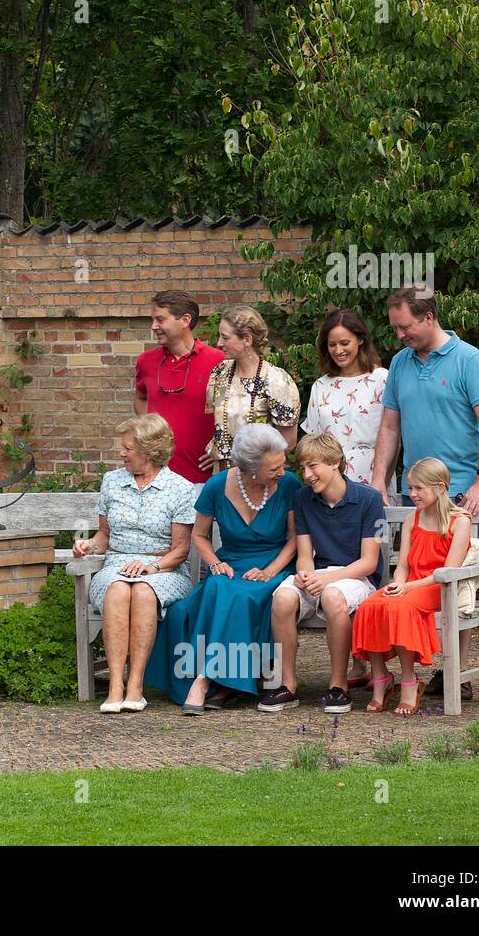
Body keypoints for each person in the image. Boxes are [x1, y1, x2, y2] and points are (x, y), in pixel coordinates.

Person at [368, 287, 479, 701]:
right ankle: (415, 670)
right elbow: (390, 427)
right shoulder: (400, 363)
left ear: (428, 317)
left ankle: (453, 671)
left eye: (405, 326)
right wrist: (379, 479)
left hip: (461, 491)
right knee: (414, 574)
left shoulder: (468, 359)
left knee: (455, 582)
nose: (400, 335)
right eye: (395, 328)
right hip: (415, 492)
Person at [146, 423, 299, 713]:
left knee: (241, 596)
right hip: (230, 562)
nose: (282, 472)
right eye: (273, 468)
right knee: (215, 586)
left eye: (282, 464)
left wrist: (269, 572)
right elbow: (199, 536)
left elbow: (294, 540)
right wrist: (215, 562)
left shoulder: (289, 484)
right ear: (250, 469)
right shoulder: (216, 486)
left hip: (274, 566)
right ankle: (224, 683)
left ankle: (205, 681)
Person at [71, 414, 196, 713]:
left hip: (163, 567)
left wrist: (151, 568)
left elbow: (181, 549)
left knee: (141, 591)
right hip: (116, 562)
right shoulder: (112, 481)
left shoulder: (179, 488)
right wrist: (88, 545)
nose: (121, 453)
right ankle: (115, 686)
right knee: (117, 589)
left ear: (150, 451)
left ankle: (135, 686)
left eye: (128, 448)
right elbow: (104, 534)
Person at [262, 432, 386, 714]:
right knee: (282, 597)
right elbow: (304, 555)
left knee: (331, 596)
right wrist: (304, 574)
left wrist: (326, 579)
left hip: (357, 578)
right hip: (319, 575)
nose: (307, 475)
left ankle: (338, 686)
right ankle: (287, 685)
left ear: (336, 463)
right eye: (303, 467)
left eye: (313, 466)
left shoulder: (368, 500)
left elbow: (368, 562)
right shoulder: (303, 499)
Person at [353, 458, 472, 716]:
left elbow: (447, 572)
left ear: (440, 487)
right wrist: (397, 585)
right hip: (411, 584)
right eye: (410, 488)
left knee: (402, 608)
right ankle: (382, 678)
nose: (413, 494)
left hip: (439, 588)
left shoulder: (460, 522)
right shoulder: (412, 520)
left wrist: (407, 589)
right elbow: (404, 567)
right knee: (371, 605)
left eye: (419, 488)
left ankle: (409, 681)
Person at [134, 291, 225, 485]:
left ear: (185, 320)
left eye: (160, 319)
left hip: (201, 478)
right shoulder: (146, 361)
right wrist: (147, 432)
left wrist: (220, 445)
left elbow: (230, 409)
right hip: (155, 477)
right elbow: (141, 397)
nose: (154, 326)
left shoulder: (218, 361)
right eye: (153, 320)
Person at [302, 308, 390, 489]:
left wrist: (382, 479)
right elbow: (313, 445)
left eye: (344, 343)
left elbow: (393, 435)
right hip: (329, 481)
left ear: (360, 339)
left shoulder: (383, 379)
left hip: (374, 479)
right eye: (332, 344)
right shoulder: (320, 386)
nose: (338, 350)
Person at [204, 305, 300, 468]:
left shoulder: (275, 380)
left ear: (247, 340)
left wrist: (257, 470)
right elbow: (222, 427)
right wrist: (216, 451)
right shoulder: (220, 373)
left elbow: (287, 442)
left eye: (225, 337)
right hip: (223, 476)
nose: (219, 343)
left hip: (259, 476)